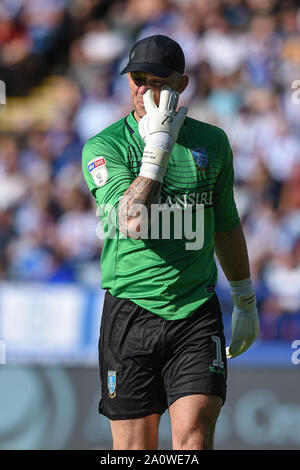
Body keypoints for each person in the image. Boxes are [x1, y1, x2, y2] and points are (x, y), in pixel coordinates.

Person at [82, 35, 259, 450]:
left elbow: (226, 226)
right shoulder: (105, 146)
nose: (144, 90)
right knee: (133, 450)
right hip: (130, 310)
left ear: (181, 84)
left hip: (195, 310)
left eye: (157, 81)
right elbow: (130, 220)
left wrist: (245, 297)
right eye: (137, 80)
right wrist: (156, 148)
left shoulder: (212, 142)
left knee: (194, 435)